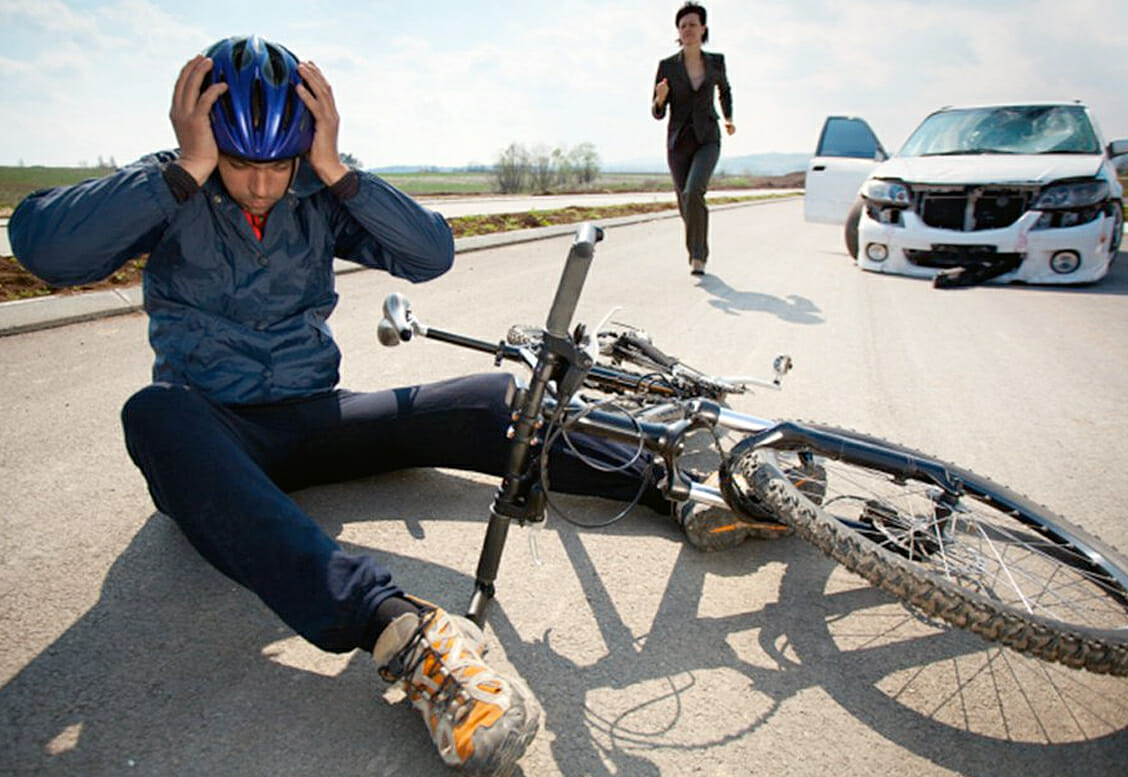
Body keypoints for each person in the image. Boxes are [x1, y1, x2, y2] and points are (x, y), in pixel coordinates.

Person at [8, 35, 659, 777]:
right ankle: (401, 633)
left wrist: (337, 172)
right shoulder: (170, 190)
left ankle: (671, 483)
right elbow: (45, 250)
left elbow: (431, 254)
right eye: (239, 162)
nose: (260, 186)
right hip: (216, 436)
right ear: (204, 138)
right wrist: (183, 171)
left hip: (316, 415)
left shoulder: (316, 192)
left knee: (482, 399)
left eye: (277, 164)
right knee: (152, 413)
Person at [651, 2, 735, 276]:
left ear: (703, 29)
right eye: (683, 26)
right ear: (678, 31)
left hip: (708, 137)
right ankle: (696, 245)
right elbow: (657, 112)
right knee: (685, 203)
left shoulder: (716, 61)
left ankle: (698, 256)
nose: (688, 30)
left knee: (693, 191)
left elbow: (724, 90)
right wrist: (661, 99)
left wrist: (728, 117)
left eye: (693, 25)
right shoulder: (667, 66)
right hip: (679, 143)